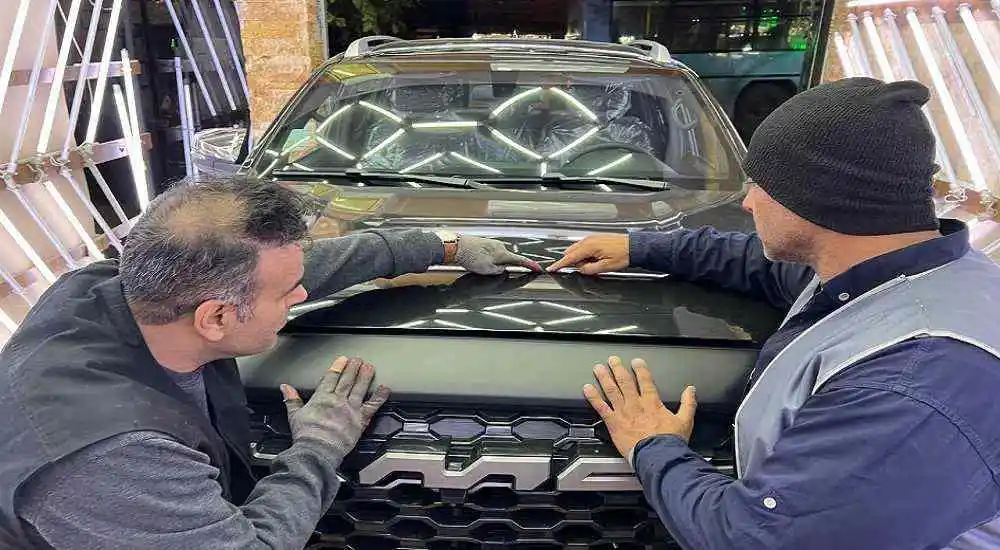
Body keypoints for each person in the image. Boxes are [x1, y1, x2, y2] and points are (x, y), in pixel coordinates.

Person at [547, 78, 1000, 549]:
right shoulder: (888, 268)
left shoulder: (912, 385)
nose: (746, 202)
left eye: (759, 185)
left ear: (815, 199)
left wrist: (652, 444)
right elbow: (758, 262)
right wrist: (641, 248)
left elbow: (752, 539)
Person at [0, 175, 538, 549]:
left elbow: (297, 270)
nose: (302, 296)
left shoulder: (111, 288)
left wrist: (442, 246)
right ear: (215, 318)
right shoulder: (113, 456)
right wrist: (318, 447)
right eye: (287, 296)